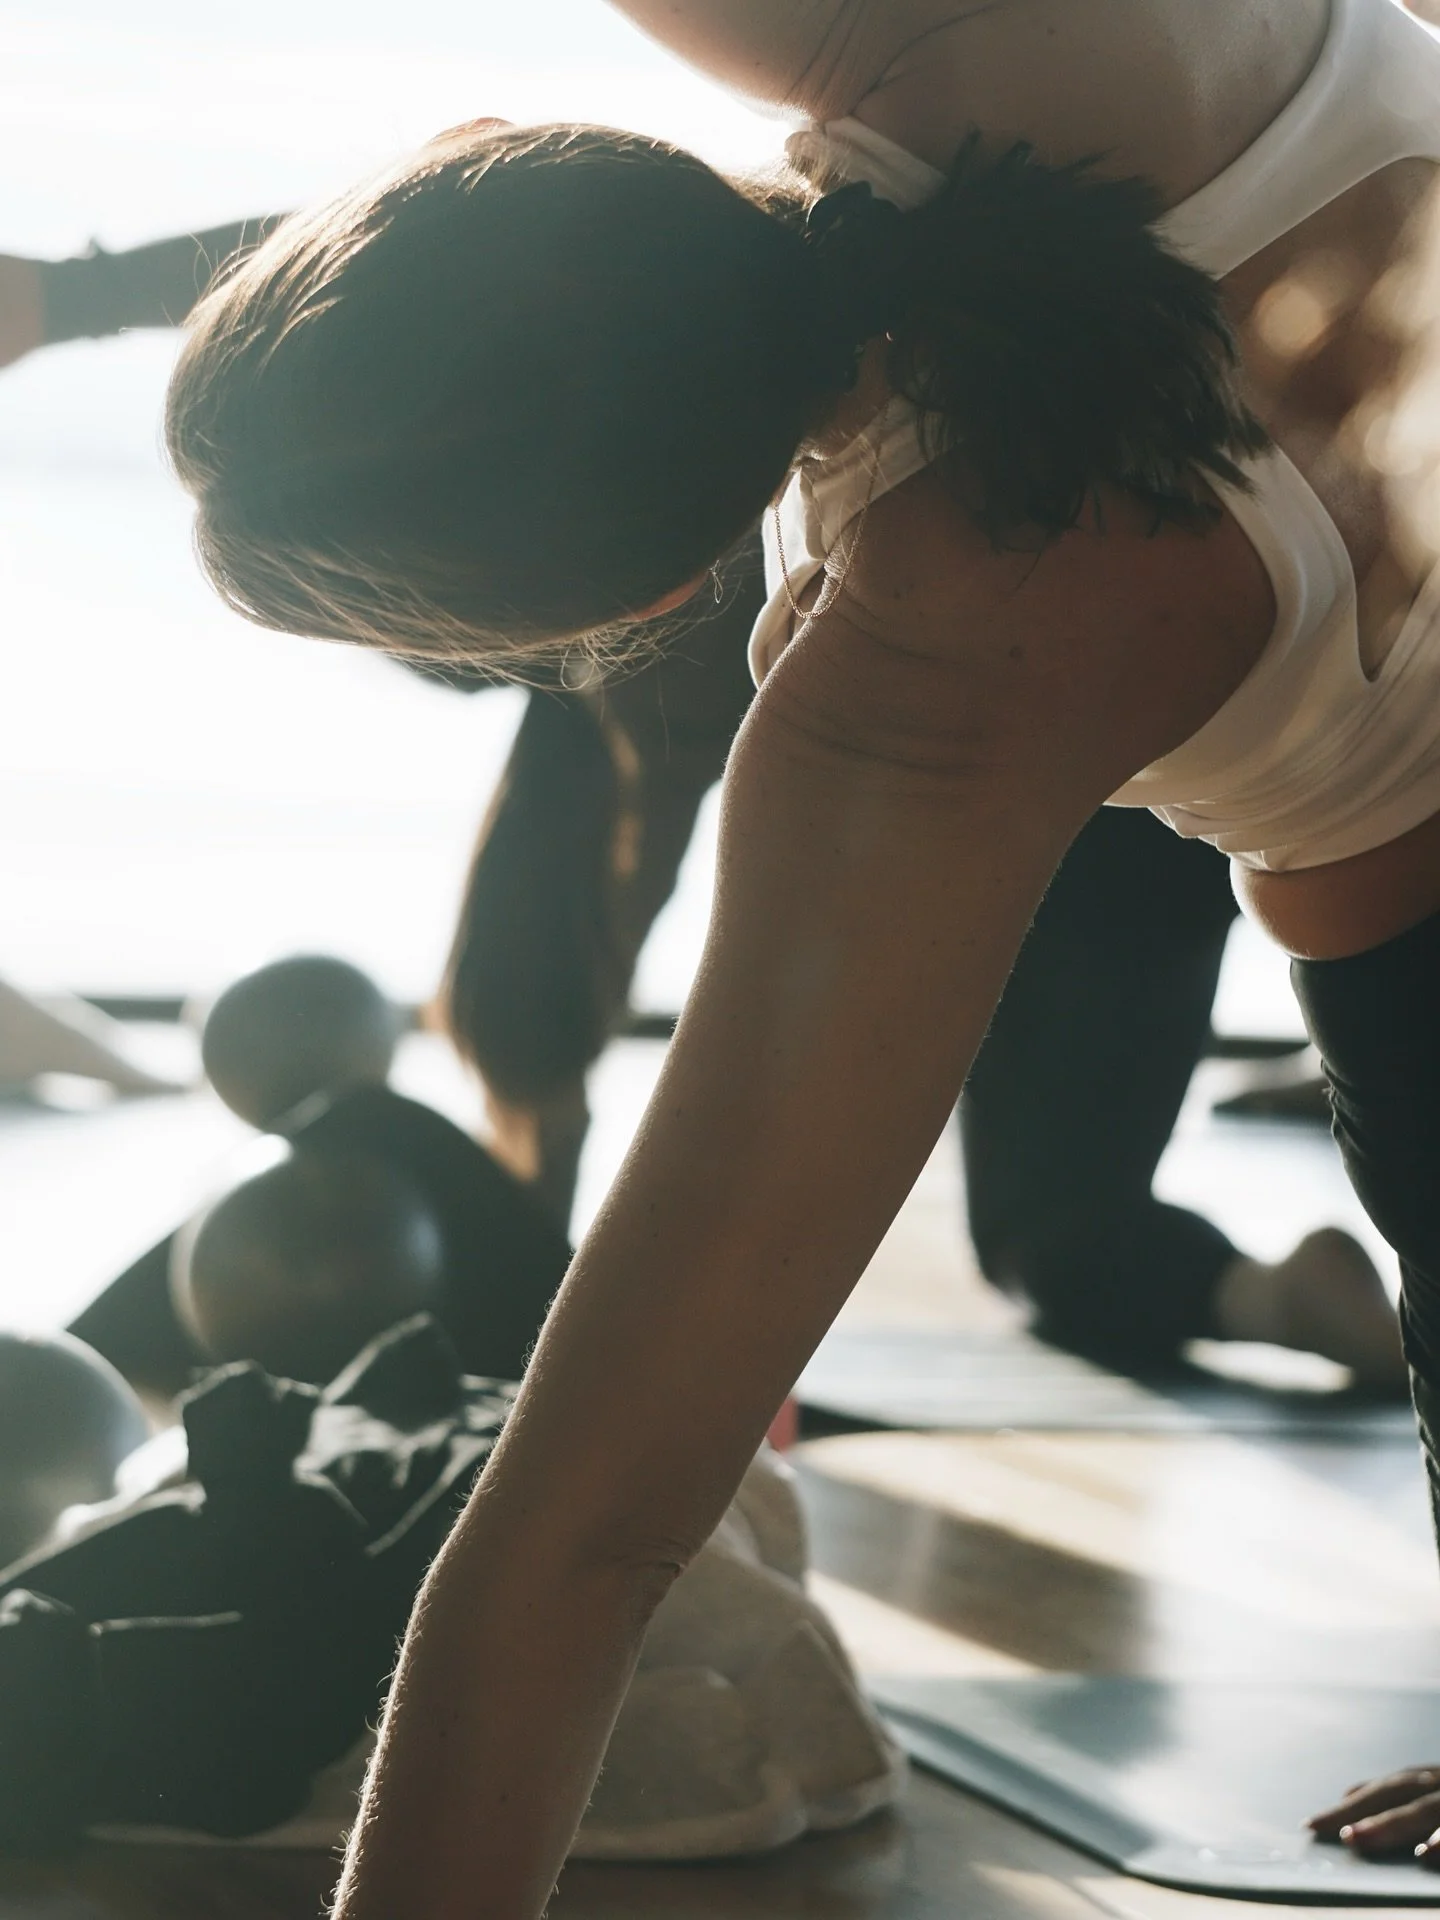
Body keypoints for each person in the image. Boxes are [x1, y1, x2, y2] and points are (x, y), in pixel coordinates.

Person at [159, 2, 1440, 1902]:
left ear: (650, 594)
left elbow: (586, 1539)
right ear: (500, 132)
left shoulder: (922, 677)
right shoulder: (937, 25)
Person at [4, 219, 1393, 1379]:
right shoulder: (709, 283)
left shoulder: (674, 662)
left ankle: (1270, 1297)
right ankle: (1278, 1266)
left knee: (1057, 1246)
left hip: (1107, 785)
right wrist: (74, 295)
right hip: (1191, 683)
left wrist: (524, 1213)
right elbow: (377, 270)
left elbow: (577, 977)